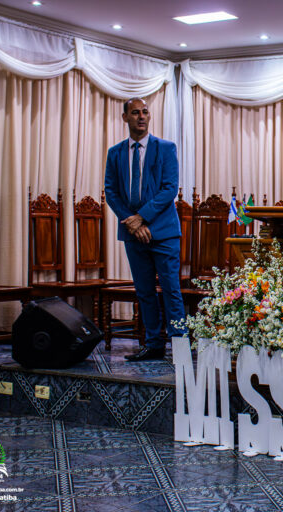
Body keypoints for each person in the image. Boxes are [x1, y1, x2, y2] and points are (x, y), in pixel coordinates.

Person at [104, 98, 185, 361]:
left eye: (145, 112)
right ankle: (153, 345)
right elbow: (111, 192)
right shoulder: (115, 153)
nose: (141, 116)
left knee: (171, 289)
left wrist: (141, 218)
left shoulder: (166, 148)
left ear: (149, 117)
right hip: (133, 233)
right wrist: (131, 221)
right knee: (145, 291)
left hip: (164, 232)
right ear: (125, 117)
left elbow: (169, 189)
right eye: (135, 112)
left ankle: (180, 346)